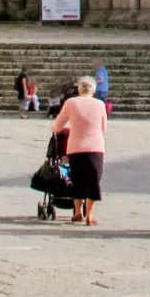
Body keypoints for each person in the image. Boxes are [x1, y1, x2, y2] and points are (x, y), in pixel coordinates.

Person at [52, 75, 109, 225]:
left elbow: (58, 125)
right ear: (94, 90)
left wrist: (58, 128)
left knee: (77, 179)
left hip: (75, 147)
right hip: (96, 147)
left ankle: (78, 212)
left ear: (79, 89)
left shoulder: (71, 103)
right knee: (93, 180)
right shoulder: (100, 104)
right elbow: (104, 128)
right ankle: (90, 215)